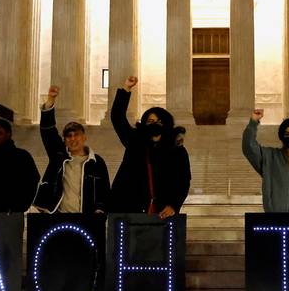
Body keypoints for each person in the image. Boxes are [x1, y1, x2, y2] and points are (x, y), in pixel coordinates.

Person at [108, 76, 191, 217]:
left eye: (159, 121)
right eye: (150, 121)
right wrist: (126, 89)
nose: (155, 124)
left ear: (167, 125)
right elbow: (118, 118)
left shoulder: (177, 151)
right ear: (144, 124)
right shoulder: (134, 142)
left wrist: (173, 205)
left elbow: (183, 181)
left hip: (160, 212)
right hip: (128, 209)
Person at [34, 86, 111, 213]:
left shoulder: (97, 162)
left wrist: (100, 210)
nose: (73, 139)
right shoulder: (58, 156)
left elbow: (104, 190)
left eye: (77, 135)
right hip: (56, 216)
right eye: (69, 136)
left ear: (84, 137)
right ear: (64, 140)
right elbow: (48, 133)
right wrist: (50, 101)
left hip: (86, 218)